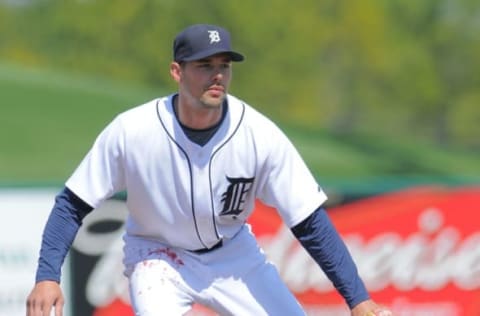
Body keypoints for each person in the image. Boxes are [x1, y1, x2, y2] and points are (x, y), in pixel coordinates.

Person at [26, 24, 393, 316]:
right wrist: (47, 276)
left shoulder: (258, 134)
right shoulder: (132, 131)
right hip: (157, 257)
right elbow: (72, 204)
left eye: (224, 66)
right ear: (176, 71)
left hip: (233, 255)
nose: (217, 75)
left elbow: (309, 221)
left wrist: (358, 299)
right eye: (204, 65)